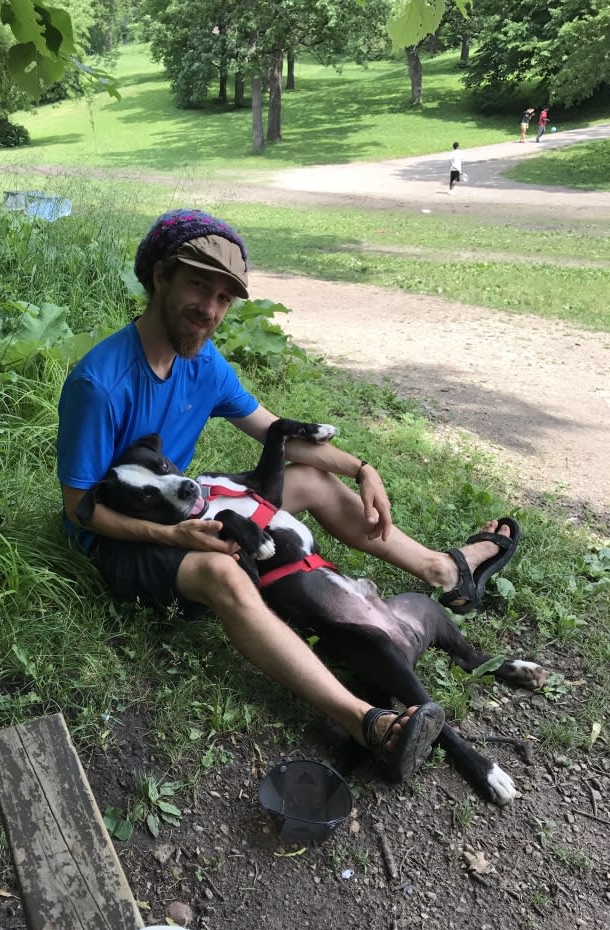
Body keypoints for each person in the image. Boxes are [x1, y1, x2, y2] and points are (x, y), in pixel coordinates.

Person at [57, 209, 519, 783]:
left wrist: (361, 467)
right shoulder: (98, 383)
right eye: (199, 286)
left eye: (226, 297)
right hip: (120, 538)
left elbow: (272, 428)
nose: (211, 310)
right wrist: (172, 536)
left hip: (184, 500)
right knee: (224, 573)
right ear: (159, 277)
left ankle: (443, 573)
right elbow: (80, 507)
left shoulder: (202, 361)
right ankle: (363, 721)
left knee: (310, 480)